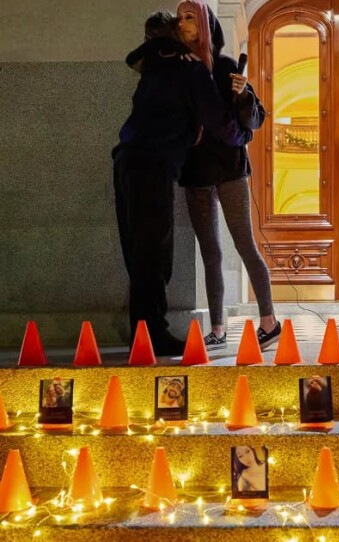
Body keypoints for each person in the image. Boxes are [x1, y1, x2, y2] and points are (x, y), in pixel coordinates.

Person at [114, 10, 251, 356]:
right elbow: (219, 123)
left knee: (139, 253)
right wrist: (243, 135)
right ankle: (151, 337)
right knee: (154, 254)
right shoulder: (189, 70)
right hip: (153, 165)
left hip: (126, 161)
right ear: (176, 36)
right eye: (181, 22)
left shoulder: (152, 67)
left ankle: (142, 334)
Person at [175, 0, 280, 351]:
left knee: (244, 244)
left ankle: (269, 321)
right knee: (210, 252)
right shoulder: (178, 68)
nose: (182, 23)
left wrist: (243, 94)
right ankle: (218, 328)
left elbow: (254, 119)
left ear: (205, 24)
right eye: (179, 18)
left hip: (230, 169)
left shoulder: (223, 66)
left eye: (190, 17)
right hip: (196, 173)